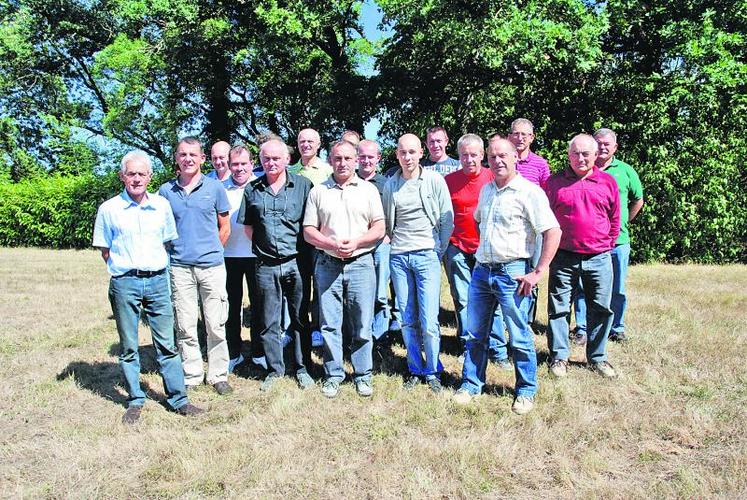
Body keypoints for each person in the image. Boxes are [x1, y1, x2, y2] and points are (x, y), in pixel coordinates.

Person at [93, 151, 203, 423]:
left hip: (157, 281)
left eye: (142, 174)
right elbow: (105, 249)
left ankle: (178, 399)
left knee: (167, 344)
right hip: (124, 283)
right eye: (131, 173)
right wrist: (127, 267)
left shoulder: (162, 206)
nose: (137, 178)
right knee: (129, 346)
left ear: (150, 177)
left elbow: (167, 242)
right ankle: (135, 400)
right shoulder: (109, 209)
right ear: (122, 176)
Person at [453, 139, 561, 415]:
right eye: (493, 156)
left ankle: (525, 390)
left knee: (519, 335)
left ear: (515, 157)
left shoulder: (529, 192)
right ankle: (471, 383)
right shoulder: (488, 190)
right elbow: (478, 220)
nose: (497, 160)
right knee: (475, 333)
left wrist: (537, 272)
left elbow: (552, 231)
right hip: (482, 270)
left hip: (513, 273)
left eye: (503, 155)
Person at [303, 140, 385, 398]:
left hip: (361, 263)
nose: (343, 163)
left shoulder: (368, 190)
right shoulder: (318, 191)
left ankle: (362, 374)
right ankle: (333, 374)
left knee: (362, 323)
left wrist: (357, 242)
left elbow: (379, 228)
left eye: (348, 158)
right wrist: (329, 243)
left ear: (356, 160)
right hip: (328, 264)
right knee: (329, 323)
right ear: (330, 160)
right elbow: (308, 231)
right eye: (338, 158)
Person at [237, 138, 315, 391]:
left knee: (300, 317)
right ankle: (275, 369)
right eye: (266, 158)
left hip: (297, 262)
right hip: (266, 265)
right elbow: (249, 228)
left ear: (287, 160)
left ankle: (303, 368)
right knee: (268, 319)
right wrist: (266, 248)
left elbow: (312, 222)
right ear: (260, 161)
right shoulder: (252, 189)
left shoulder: (304, 186)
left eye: (276, 158)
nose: (271, 163)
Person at [159, 137, 233, 395]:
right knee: (186, 324)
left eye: (193, 154)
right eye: (183, 154)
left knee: (215, 323)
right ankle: (191, 373)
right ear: (176, 159)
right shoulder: (166, 192)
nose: (188, 159)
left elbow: (225, 226)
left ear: (202, 158)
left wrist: (212, 250)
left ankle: (218, 374)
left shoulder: (215, 188)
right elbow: (162, 230)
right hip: (180, 268)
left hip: (212, 266)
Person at [383, 133, 454, 393]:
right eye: (403, 152)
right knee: (407, 316)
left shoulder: (434, 180)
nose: (408, 157)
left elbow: (448, 220)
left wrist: (437, 250)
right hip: (400, 257)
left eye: (412, 152)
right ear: (397, 155)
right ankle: (414, 367)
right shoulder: (391, 184)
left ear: (421, 153)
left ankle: (433, 369)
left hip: (427, 255)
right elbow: (388, 221)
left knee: (429, 319)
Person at [545, 134, 620, 379]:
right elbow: (545, 219)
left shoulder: (607, 182)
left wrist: (606, 244)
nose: (580, 158)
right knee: (558, 308)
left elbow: (615, 218)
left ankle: (597, 357)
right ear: (568, 155)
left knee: (600, 308)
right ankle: (559, 356)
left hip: (598, 256)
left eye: (586, 153)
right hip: (563, 256)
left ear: (596, 155)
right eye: (575, 153)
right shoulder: (555, 183)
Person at [573, 128, 644, 343]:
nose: (603, 147)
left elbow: (637, 200)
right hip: (588, 243)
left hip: (618, 242)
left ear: (615, 147)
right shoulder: (582, 169)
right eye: (599, 143)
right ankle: (582, 328)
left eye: (607, 144)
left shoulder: (625, 171)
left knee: (617, 288)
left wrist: (623, 222)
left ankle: (617, 327)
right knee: (583, 287)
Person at [443, 134, 508, 367]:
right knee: (463, 299)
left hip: (489, 250)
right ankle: (467, 346)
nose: (469, 159)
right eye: (464, 155)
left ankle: (498, 350)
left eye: (474, 155)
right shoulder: (448, 181)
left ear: (482, 155)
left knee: (495, 300)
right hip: (457, 247)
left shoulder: (494, 178)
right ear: (458, 156)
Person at [223, 144, 266, 373]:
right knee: (230, 307)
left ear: (251, 164)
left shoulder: (261, 185)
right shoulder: (220, 188)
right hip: (228, 256)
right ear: (229, 166)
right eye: (235, 164)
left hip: (256, 255)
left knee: (259, 306)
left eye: (243, 164)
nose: (239, 169)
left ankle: (259, 352)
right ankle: (233, 353)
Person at [507, 119, 552, 329]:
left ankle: (527, 319)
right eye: (516, 134)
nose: (520, 138)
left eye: (525, 134)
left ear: (532, 137)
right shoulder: (503, 160)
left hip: (534, 229)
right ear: (509, 136)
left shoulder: (540, 165)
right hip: (509, 229)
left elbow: (547, 196)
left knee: (532, 273)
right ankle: (508, 317)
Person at [288, 128, 330, 345]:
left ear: (319, 144)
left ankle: (317, 327)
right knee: (299, 284)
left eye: (310, 141)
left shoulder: (327, 171)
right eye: (302, 141)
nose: (306, 145)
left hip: (319, 236)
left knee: (319, 284)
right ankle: (295, 326)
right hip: (295, 237)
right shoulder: (290, 170)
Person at [357, 139, 402, 342]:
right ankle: (358, 333)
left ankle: (379, 335)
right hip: (355, 245)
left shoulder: (387, 184)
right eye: (363, 156)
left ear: (378, 158)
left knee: (379, 294)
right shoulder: (349, 181)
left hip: (380, 246)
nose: (366, 161)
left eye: (370, 157)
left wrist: (388, 236)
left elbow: (396, 213)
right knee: (357, 292)